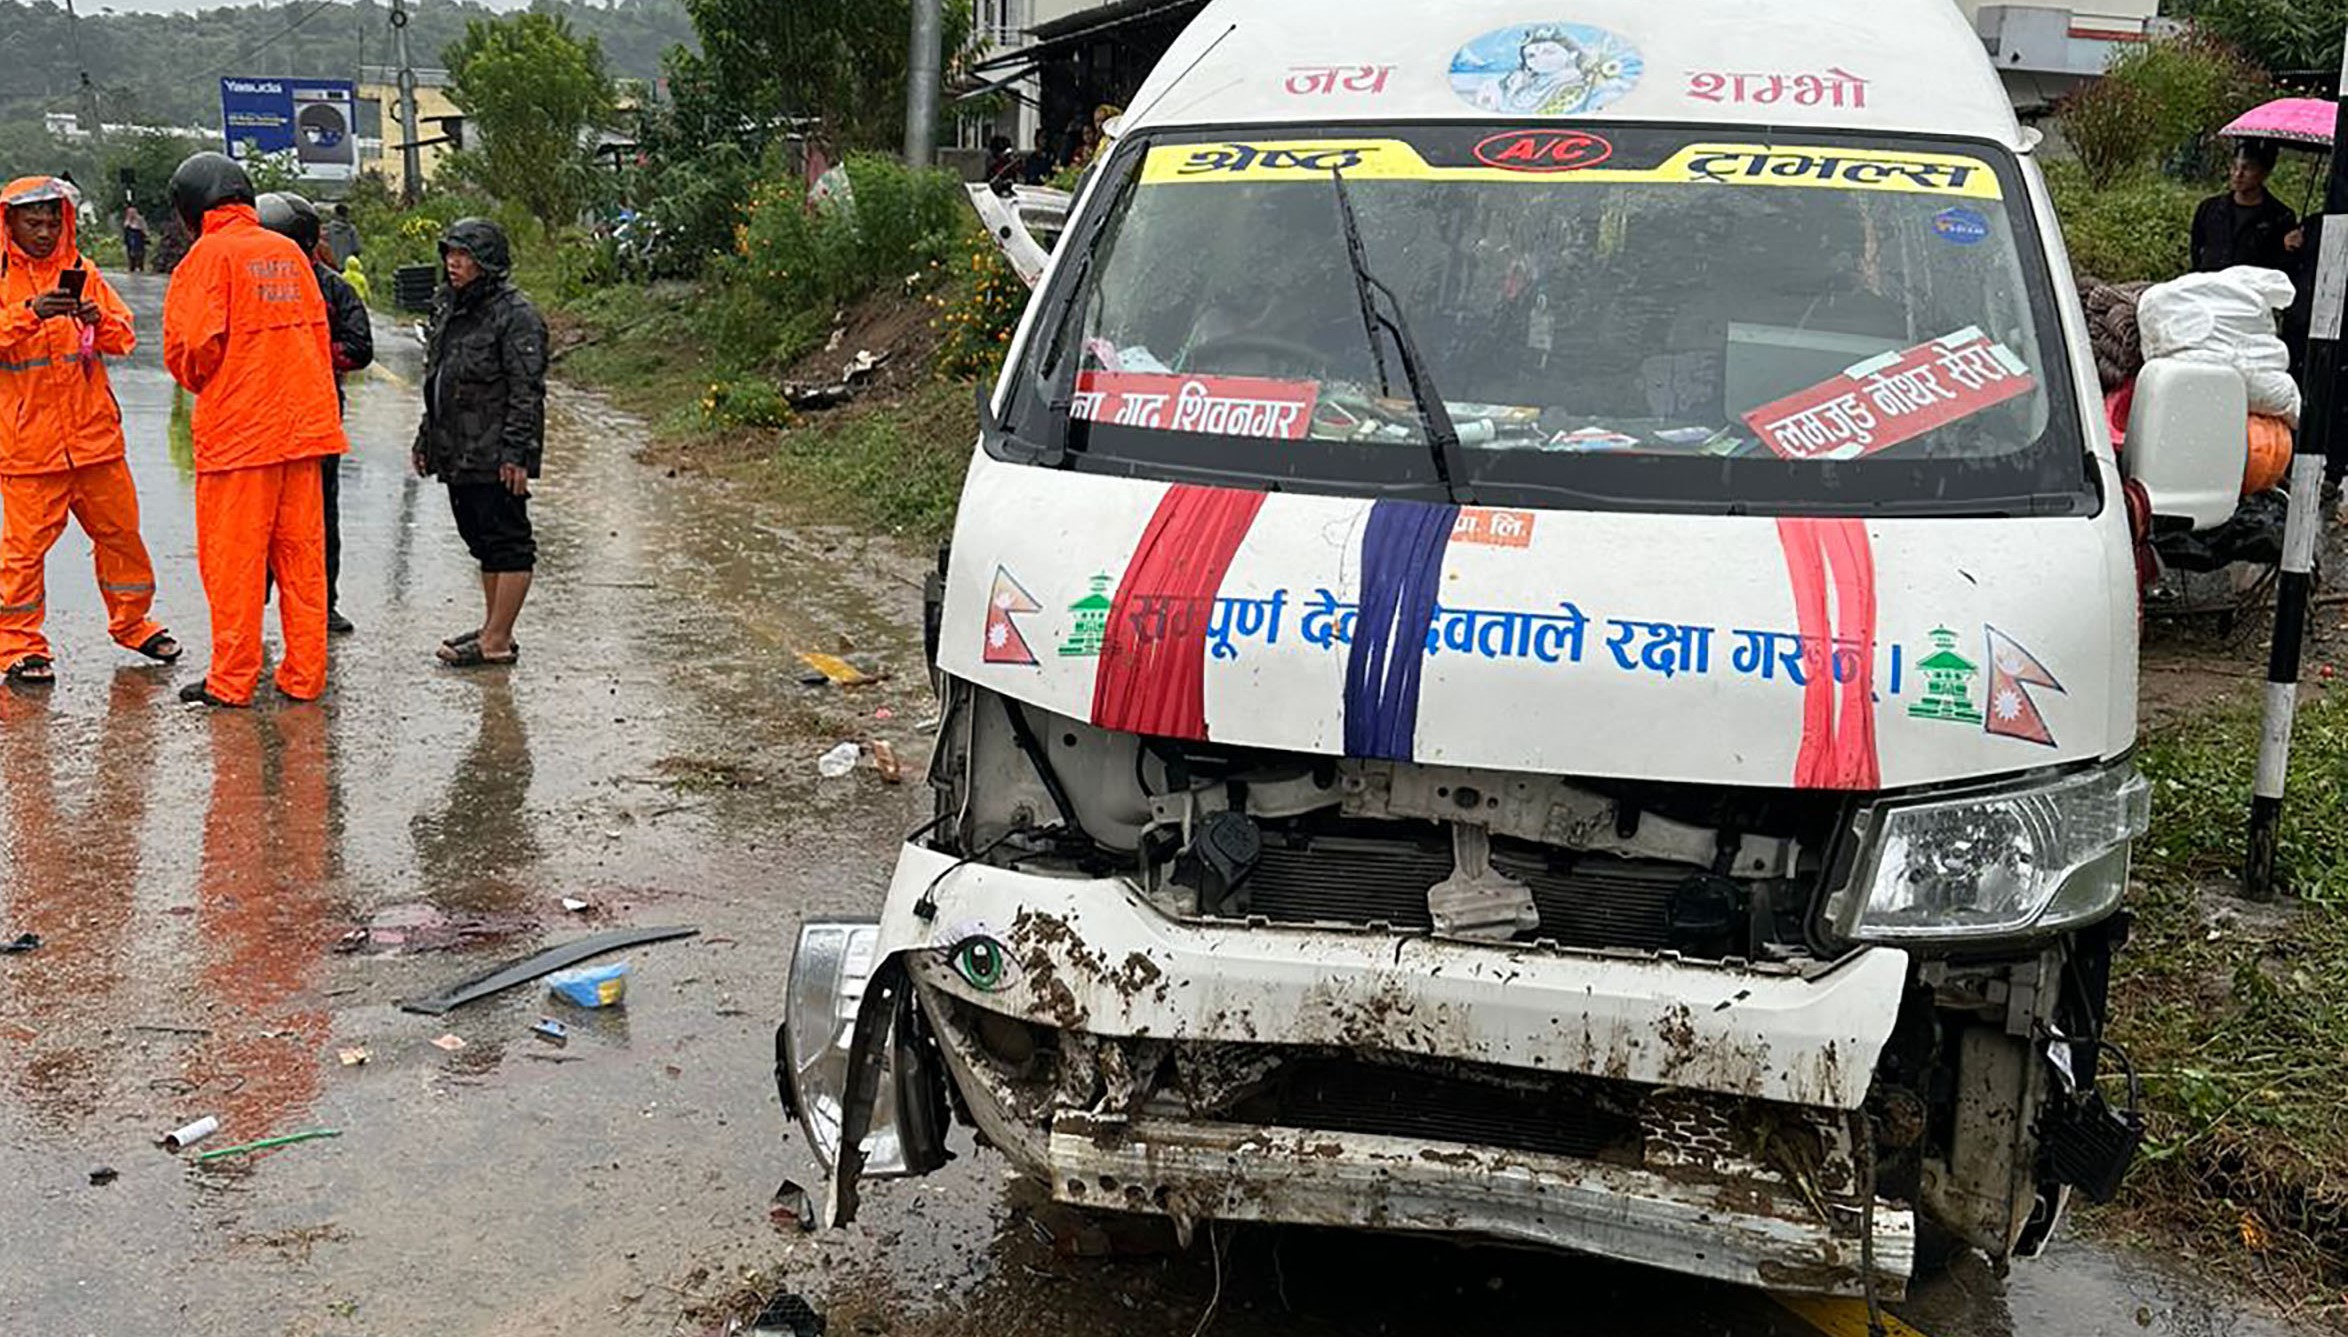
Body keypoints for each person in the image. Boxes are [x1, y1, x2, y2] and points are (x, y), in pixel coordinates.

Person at [161, 152, 346, 708]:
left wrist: (207, 382)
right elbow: (318, 335)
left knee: (234, 564)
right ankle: (304, 675)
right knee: (302, 561)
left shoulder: (207, 257)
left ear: (191, 207)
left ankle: (232, 680)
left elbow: (192, 348)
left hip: (242, 437)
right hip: (304, 431)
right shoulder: (288, 252)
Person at [0, 175, 181, 685]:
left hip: (96, 442)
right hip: (28, 449)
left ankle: (135, 624)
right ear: (9, 223)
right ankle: (18, 646)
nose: (43, 231)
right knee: (23, 556)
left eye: (51, 221)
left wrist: (96, 319)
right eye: (32, 222)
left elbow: (124, 337)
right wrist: (29, 314)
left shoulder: (82, 270)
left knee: (122, 538)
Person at [414, 218, 547, 669]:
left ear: (486, 262)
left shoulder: (517, 315)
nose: (454, 262)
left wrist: (517, 452)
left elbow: (527, 389)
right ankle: (494, 625)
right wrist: (426, 436)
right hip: (458, 446)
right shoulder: (451, 306)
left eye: (465, 255)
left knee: (507, 540)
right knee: (481, 540)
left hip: (496, 449)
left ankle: (497, 638)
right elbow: (438, 375)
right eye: (450, 252)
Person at [258, 191, 373, 636]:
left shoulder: (333, 288)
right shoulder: (252, 284)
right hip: (258, 420)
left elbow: (360, 349)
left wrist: (308, 354)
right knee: (255, 520)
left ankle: (322, 603)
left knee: (318, 516)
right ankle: (254, 599)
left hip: (315, 421)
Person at [2192, 140, 2297, 274]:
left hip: (2251, 289)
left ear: (2263, 173)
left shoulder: (2280, 217)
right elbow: (2197, 250)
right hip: (2209, 286)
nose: (2238, 175)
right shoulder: (2209, 208)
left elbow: (2283, 268)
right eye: (2235, 167)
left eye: (2247, 169)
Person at [323, 202, 362, 270]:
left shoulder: (327, 229)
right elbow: (357, 249)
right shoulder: (351, 230)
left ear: (335, 214)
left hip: (330, 266)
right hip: (346, 267)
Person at [121, 203, 148, 274]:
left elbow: (143, 228)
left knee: (139, 252)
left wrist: (145, 234)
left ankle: (140, 266)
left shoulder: (139, 219)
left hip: (138, 237)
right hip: (130, 237)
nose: (131, 214)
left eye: (133, 212)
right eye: (129, 212)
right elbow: (125, 228)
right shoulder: (127, 220)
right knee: (130, 252)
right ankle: (131, 266)